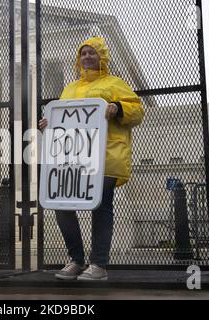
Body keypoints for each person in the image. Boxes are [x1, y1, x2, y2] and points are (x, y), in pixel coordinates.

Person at [39, 37, 144, 281]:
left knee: (101, 207)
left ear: (102, 58)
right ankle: (76, 260)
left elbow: (138, 111)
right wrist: (49, 123)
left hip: (106, 156)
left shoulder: (115, 83)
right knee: (61, 205)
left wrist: (118, 107)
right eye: (83, 53)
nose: (87, 57)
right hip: (73, 158)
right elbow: (64, 119)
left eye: (92, 53)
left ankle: (99, 265)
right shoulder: (70, 89)